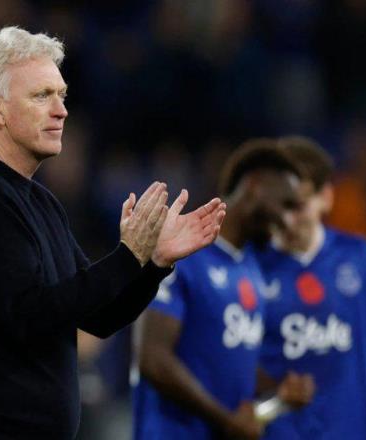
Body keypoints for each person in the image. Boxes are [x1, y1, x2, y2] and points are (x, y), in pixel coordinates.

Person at [0, 26, 226, 440]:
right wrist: (128, 256)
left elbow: (97, 316)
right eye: (41, 96)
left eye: (61, 95)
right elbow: (31, 316)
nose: (61, 110)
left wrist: (153, 264)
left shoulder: (39, 200)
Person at [132, 139, 314, 440]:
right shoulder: (182, 252)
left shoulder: (251, 268)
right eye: (286, 204)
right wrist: (225, 419)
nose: (289, 221)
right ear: (255, 186)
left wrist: (277, 389)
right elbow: (153, 359)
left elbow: (228, 360)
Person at [255, 136, 366, 439]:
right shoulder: (250, 267)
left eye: (297, 205)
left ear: (325, 197)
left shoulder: (357, 257)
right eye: (279, 206)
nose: (287, 219)